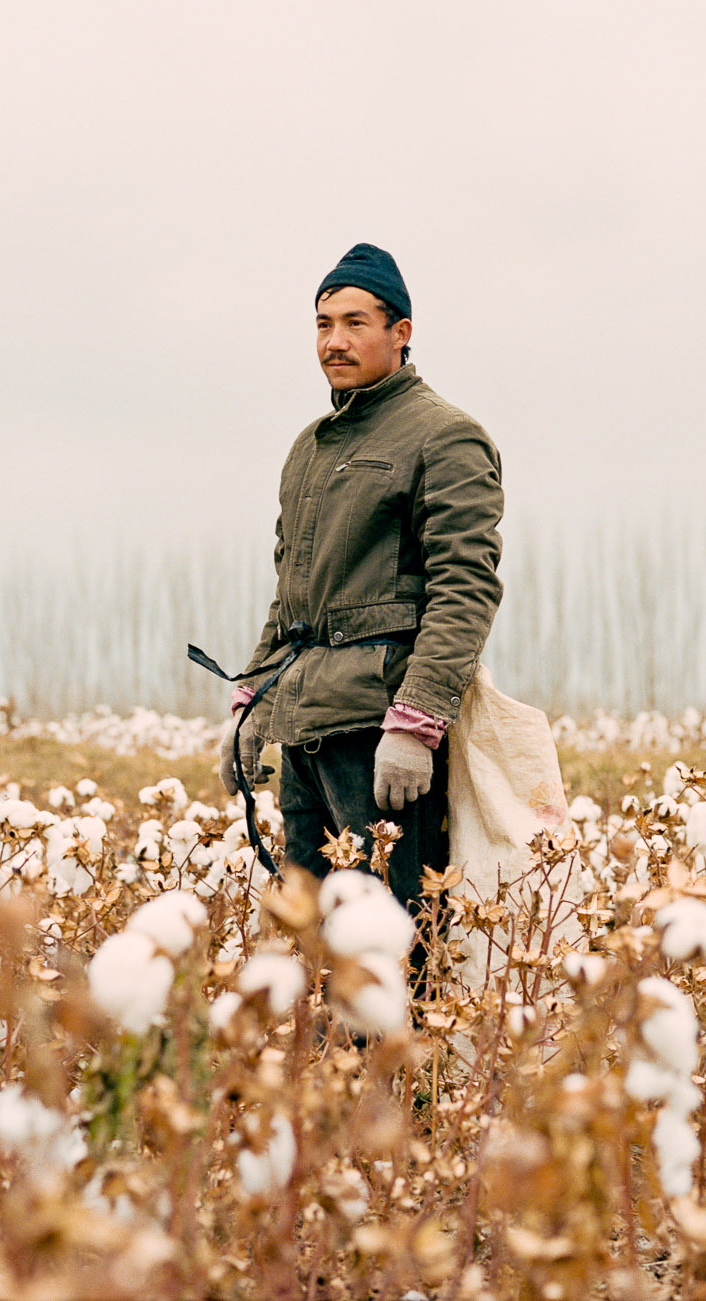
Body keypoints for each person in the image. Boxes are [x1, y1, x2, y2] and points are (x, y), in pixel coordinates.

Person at [217, 243, 504, 970]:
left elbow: (464, 588)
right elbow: (293, 595)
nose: (333, 341)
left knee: (395, 953)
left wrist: (417, 722)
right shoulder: (309, 448)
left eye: (353, 322)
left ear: (401, 332)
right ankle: (323, 1087)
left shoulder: (447, 436)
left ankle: (407, 1088)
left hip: (380, 738)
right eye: (322, 323)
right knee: (310, 953)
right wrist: (249, 704)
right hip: (306, 729)